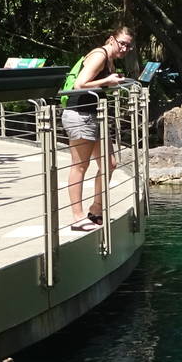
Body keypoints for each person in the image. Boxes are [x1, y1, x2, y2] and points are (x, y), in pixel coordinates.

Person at [61, 26, 133, 232]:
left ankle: (96, 208)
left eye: (129, 46)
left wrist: (112, 83)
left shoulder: (109, 59)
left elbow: (97, 84)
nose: (125, 48)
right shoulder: (99, 55)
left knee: (109, 163)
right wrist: (107, 81)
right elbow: (79, 84)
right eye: (123, 43)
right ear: (112, 39)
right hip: (80, 115)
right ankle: (77, 217)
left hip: (95, 115)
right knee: (80, 167)